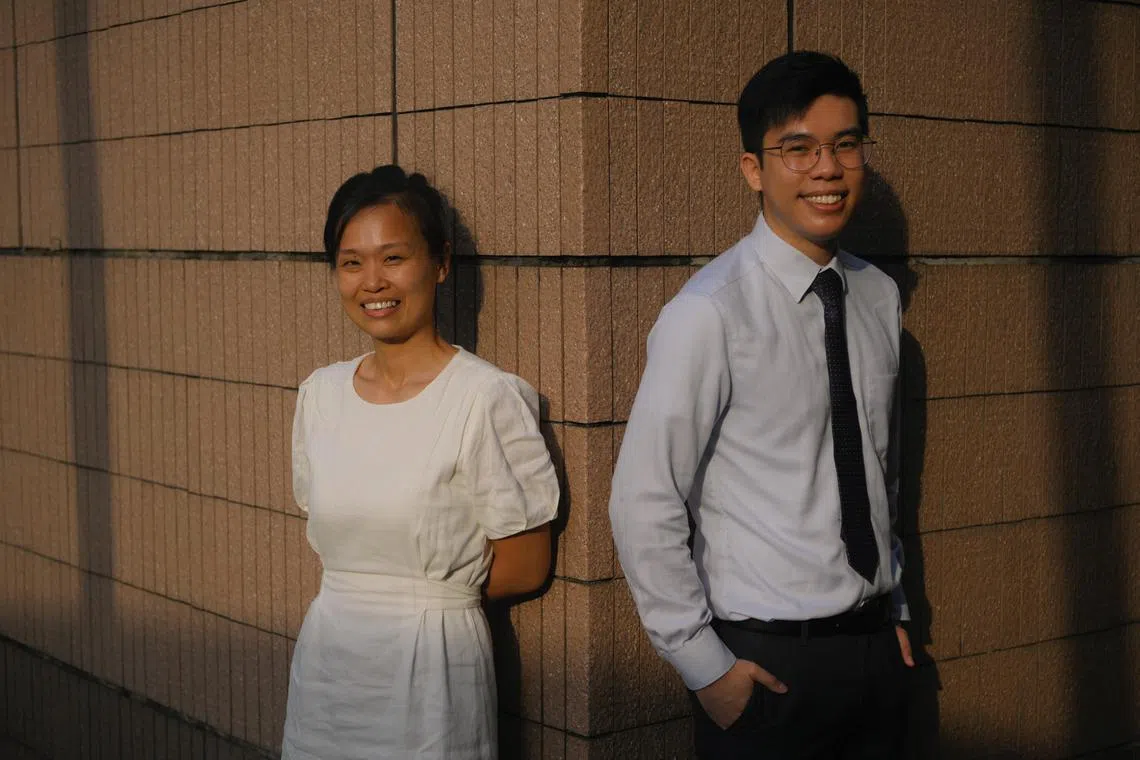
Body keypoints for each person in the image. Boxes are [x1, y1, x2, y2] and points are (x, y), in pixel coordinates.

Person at [609, 51, 914, 759]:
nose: (827, 169)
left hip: (875, 653)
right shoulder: (709, 312)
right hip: (767, 668)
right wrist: (704, 666)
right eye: (798, 149)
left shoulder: (877, 296)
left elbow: (880, 471)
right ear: (754, 169)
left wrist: (895, 609)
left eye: (845, 145)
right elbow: (643, 499)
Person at [282, 165, 559, 760]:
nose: (372, 282)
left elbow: (526, 564)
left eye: (393, 258)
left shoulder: (484, 397)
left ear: (440, 263)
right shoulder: (321, 395)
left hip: (432, 673)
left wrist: (430, 596)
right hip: (328, 668)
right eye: (351, 262)